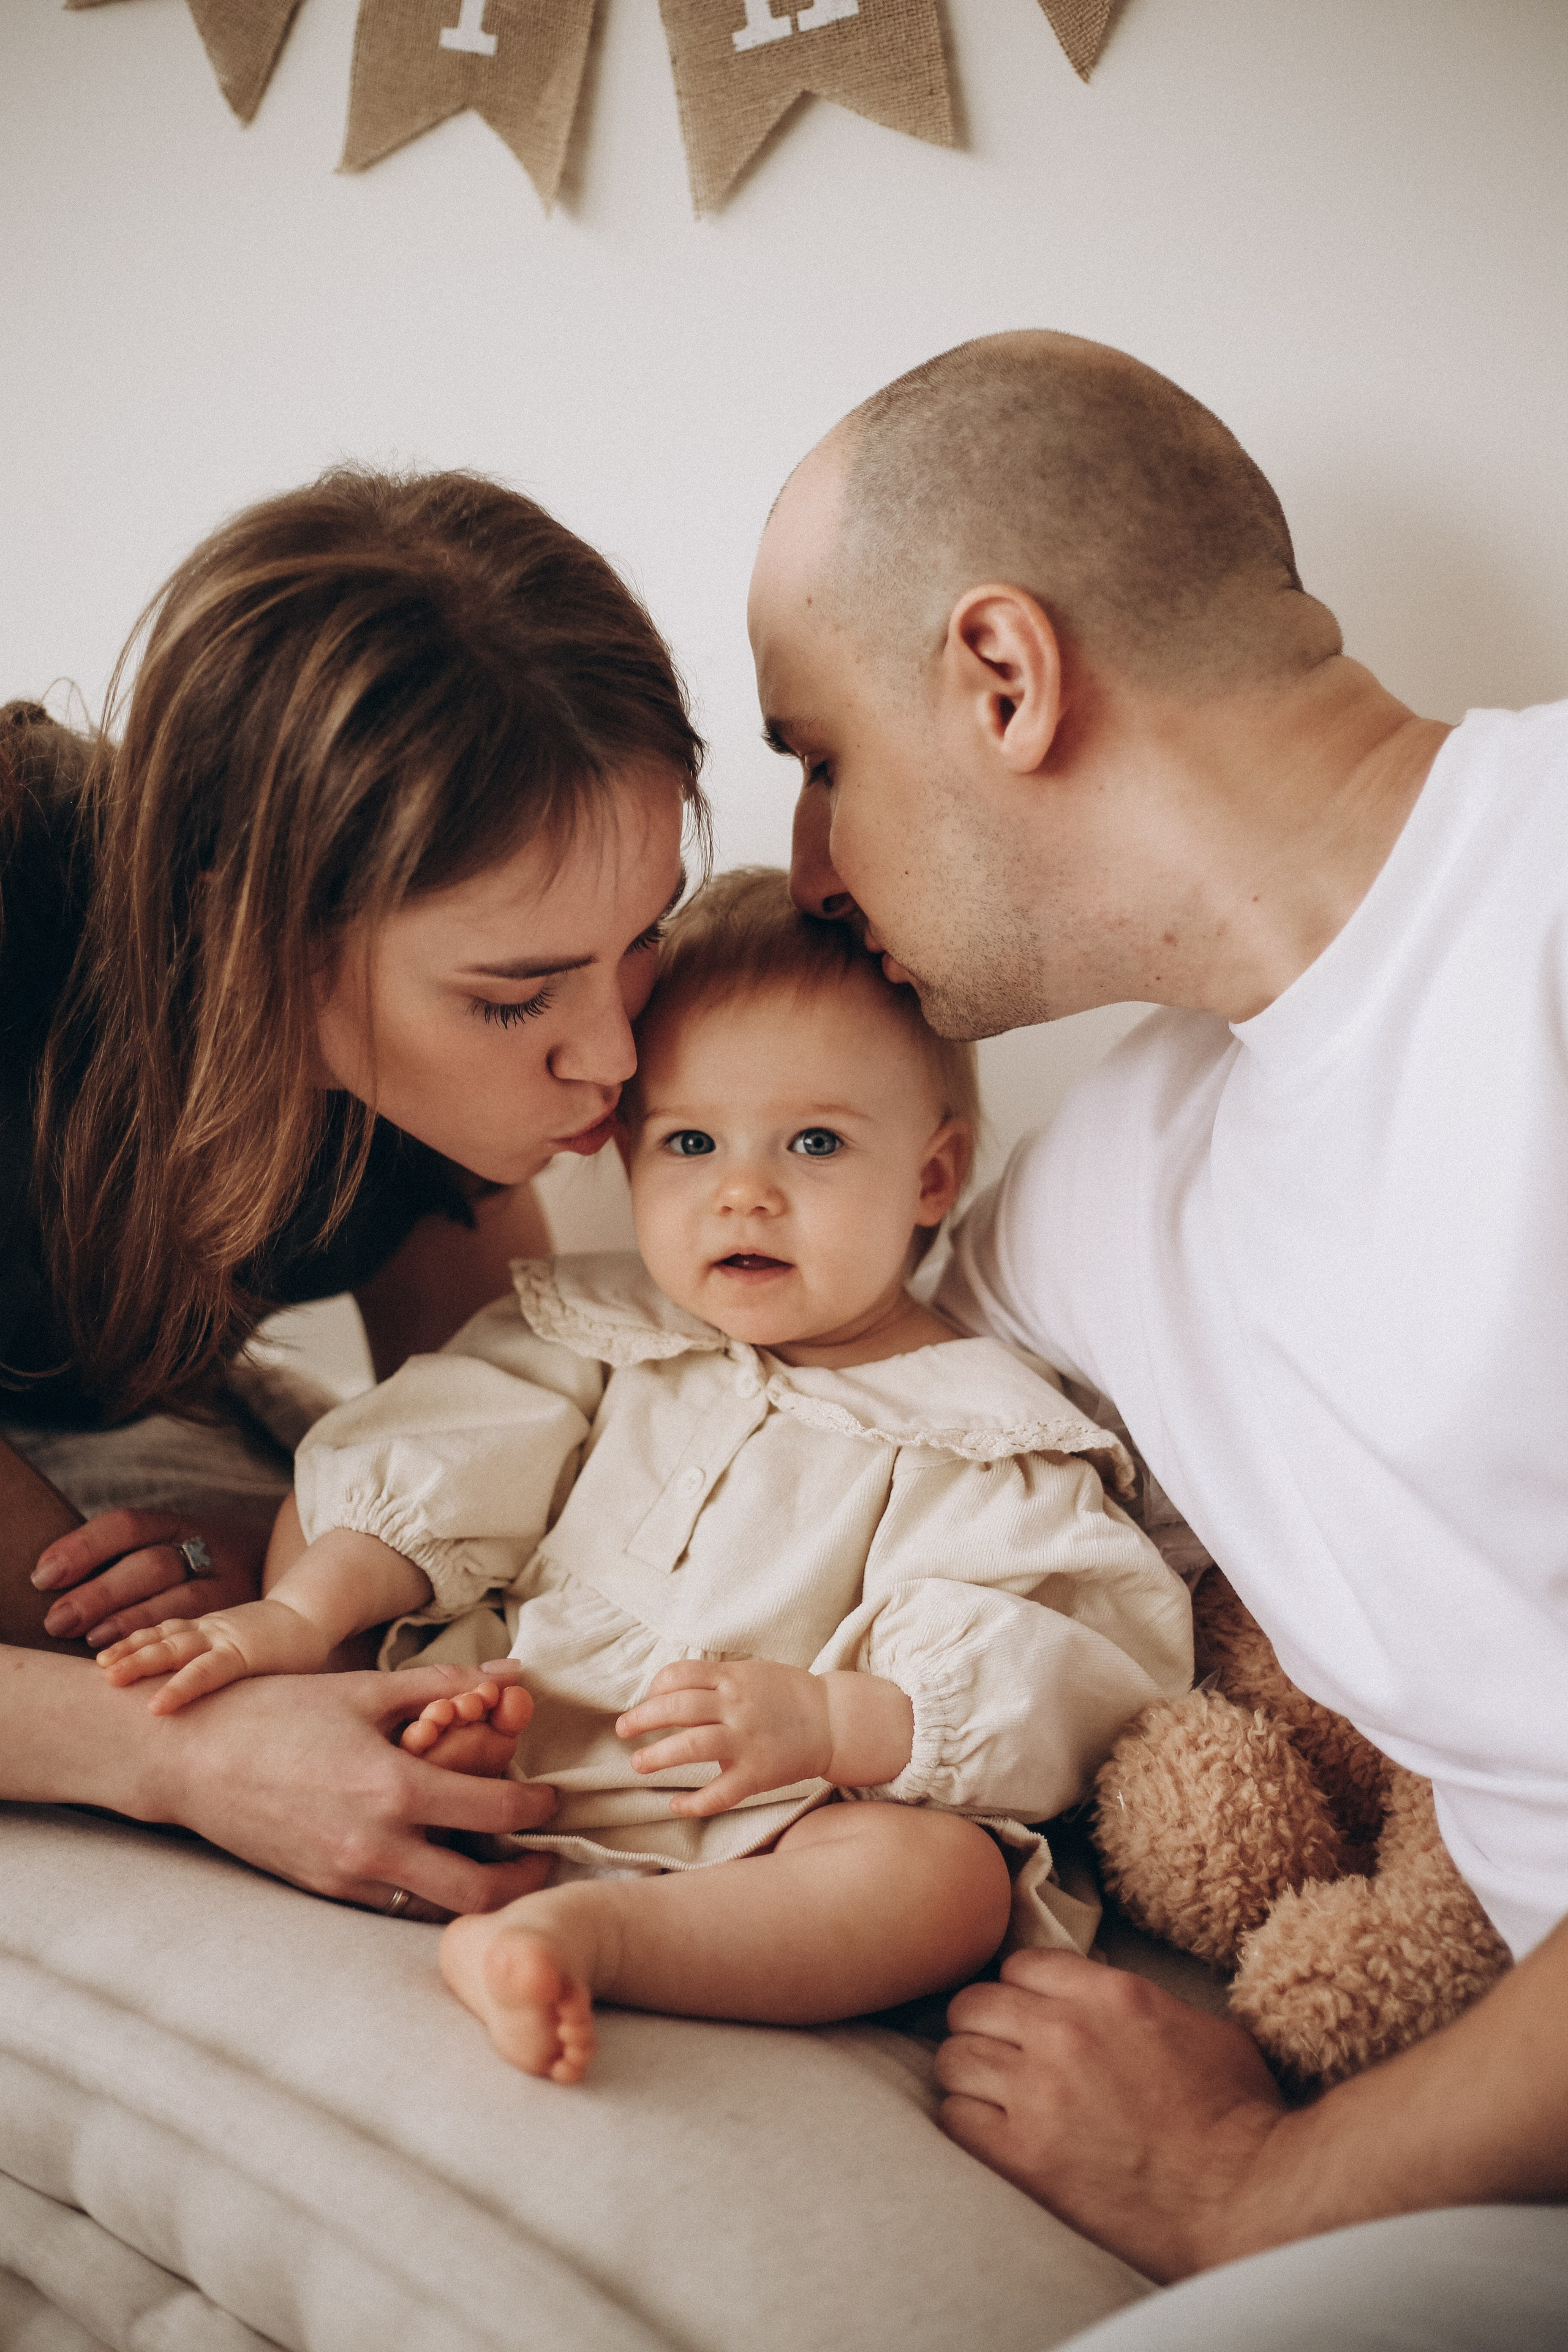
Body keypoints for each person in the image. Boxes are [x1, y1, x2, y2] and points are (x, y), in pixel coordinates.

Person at [747, 331, 1568, 2340]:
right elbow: (778, 1401)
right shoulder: (1120, 1180)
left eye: (819, 760)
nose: (805, 870)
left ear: (1002, 679)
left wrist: (1246, 2186)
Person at [96, 867, 1192, 2083]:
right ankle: (423, 1764)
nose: (744, 1192)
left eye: (815, 1142)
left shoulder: (974, 1427)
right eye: (689, 1141)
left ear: (932, 1178)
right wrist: (303, 1615)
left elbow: (1066, 1667)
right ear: (627, 1158)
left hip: (764, 1821)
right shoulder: (599, 1334)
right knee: (361, 1481)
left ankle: (597, 1939)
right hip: (512, 1709)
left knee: (943, 1884)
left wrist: (836, 1722)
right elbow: (437, 1461)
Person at [0, 464, 709, 1920]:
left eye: (643, 936)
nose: (615, 1058)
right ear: (256, 935)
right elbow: (87, 1653)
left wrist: (286, 1573)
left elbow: (475, 1449)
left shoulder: (433, 1106)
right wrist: (175, 1758)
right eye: (513, 998)